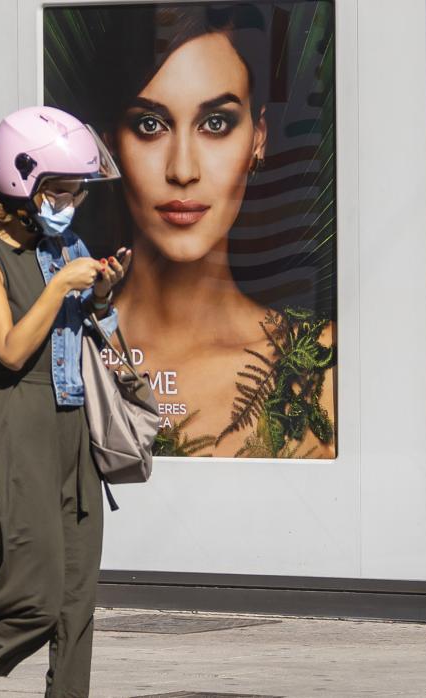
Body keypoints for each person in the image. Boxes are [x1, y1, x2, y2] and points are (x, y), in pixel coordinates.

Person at [55, 5, 336, 458]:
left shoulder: (321, 365)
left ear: (257, 139)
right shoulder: (61, 348)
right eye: (150, 125)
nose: (182, 170)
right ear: (110, 145)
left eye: (216, 123)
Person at [0, 106, 127, 698]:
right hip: (17, 418)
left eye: (77, 193)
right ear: (22, 185)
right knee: (34, 597)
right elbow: (10, 351)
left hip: (73, 420)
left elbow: (76, 337)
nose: (73, 205)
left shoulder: (66, 246)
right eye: (61, 193)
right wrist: (63, 285)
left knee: (76, 598)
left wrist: (102, 298)